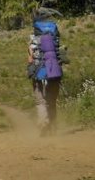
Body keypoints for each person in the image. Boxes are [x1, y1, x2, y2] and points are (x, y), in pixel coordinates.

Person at [27, 8, 63, 136]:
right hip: (54, 70)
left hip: (39, 70)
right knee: (51, 100)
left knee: (40, 100)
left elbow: (30, 58)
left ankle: (43, 123)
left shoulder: (32, 38)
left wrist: (30, 69)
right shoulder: (55, 38)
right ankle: (53, 126)